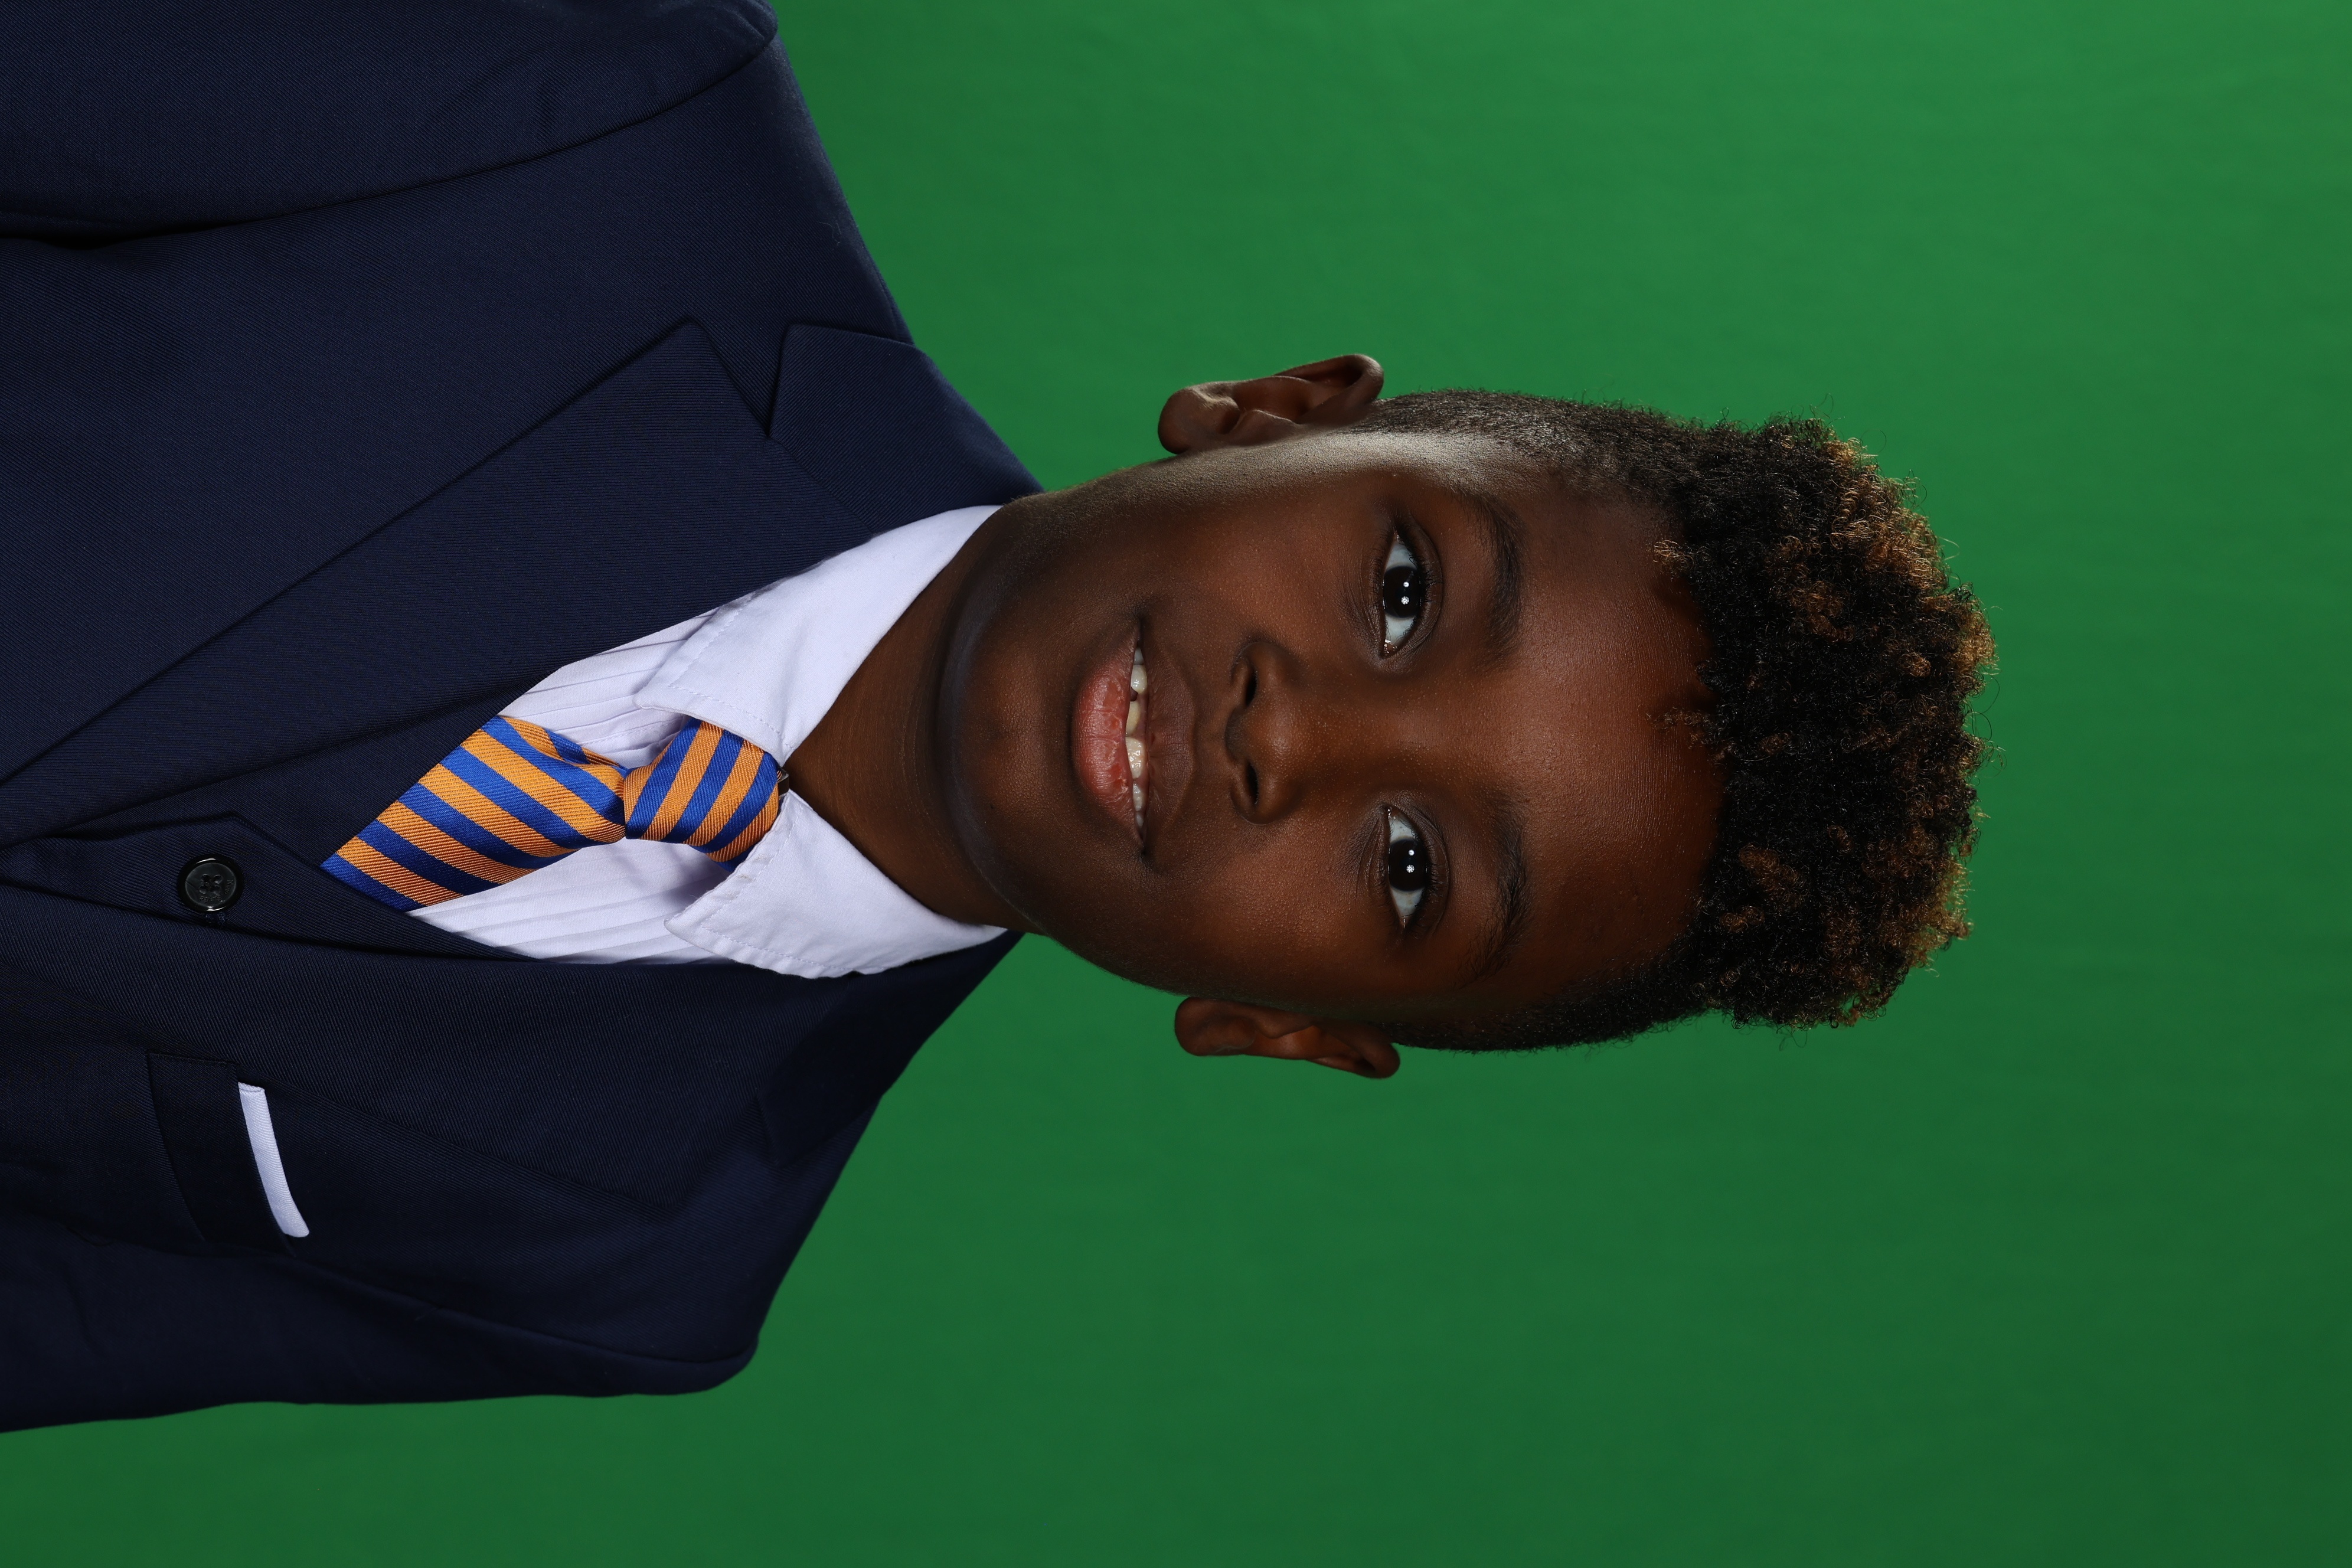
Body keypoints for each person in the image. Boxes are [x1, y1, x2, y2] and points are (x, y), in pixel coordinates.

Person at [0, 0, 1992, 1432]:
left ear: (1287, 1026)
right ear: (1274, 410)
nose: (1291, 743)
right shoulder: (600, 119)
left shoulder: (623, 1262)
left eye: (1410, 871)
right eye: (1403, 592)